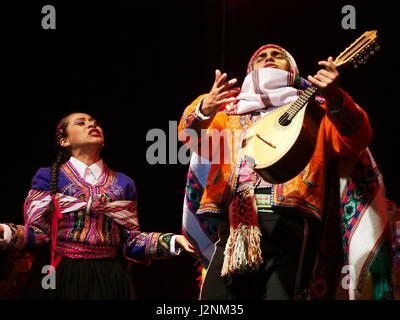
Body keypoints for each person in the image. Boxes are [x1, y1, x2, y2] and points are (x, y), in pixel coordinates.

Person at [179, 44, 397, 299]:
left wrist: (335, 97)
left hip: (290, 224)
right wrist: (204, 107)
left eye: (278, 56)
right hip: (233, 226)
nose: (269, 58)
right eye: (261, 57)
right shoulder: (227, 114)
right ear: (251, 71)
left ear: (292, 70)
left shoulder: (315, 110)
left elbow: (356, 139)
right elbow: (189, 136)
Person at [0, 112, 194, 299]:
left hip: (109, 277)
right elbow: (39, 234)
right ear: (64, 141)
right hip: (61, 273)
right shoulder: (47, 176)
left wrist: (172, 241)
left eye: (94, 122)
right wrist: (6, 232)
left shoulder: (123, 183)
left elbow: (131, 242)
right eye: (81, 123)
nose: (92, 125)